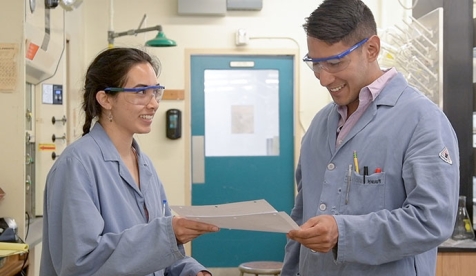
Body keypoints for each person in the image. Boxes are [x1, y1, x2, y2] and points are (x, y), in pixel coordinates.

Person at [282, 0, 460, 275]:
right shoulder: (319, 125)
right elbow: (302, 216)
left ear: (372, 49)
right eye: (315, 64)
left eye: (335, 62)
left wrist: (343, 232)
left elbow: (432, 220)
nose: (323, 79)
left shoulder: (422, 120)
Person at [40, 47, 219, 276]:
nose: (153, 103)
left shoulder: (144, 165)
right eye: (141, 92)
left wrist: (192, 271)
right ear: (105, 99)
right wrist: (167, 234)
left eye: (155, 92)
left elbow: (158, 255)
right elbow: (80, 265)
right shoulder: (77, 166)